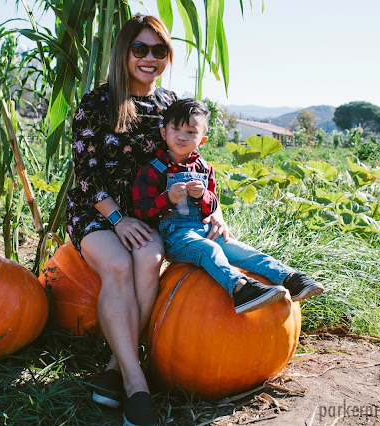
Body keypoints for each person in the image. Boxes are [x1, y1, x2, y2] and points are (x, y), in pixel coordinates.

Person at [65, 14, 209, 426]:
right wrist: (117, 218)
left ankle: (115, 364)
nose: (150, 57)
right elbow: (86, 173)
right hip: (96, 209)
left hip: (148, 211)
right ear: (124, 51)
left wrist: (212, 210)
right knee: (117, 264)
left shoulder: (169, 105)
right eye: (140, 48)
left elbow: (192, 160)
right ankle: (135, 382)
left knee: (147, 259)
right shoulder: (98, 102)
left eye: (159, 50)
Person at [132, 98, 324, 314]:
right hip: (176, 237)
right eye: (175, 129)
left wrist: (203, 196)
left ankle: (290, 278)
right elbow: (141, 210)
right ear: (163, 132)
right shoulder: (153, 170)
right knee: (209, 250)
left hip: (206, 230)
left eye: (191, 132)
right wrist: (167, 199)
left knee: (242, 251)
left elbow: (212, 205)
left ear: (202, 140)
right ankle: (241, 288)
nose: (182, 136)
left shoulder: (205, 169)